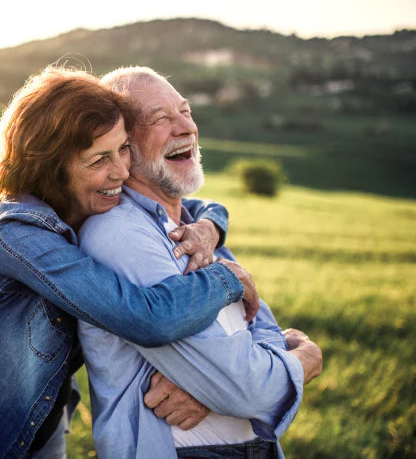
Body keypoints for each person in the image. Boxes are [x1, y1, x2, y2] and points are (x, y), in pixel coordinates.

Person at [0, 66, 261, 459]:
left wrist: (210, 226)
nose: (122, 171)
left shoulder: (86, 203)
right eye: (98, 160)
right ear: (52, 168)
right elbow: (145, 318)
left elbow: (190, 205)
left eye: (123, 148)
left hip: (42, 424)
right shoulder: (18, 234)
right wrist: (227, 278)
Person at [78, 67, 323, 459]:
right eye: (160, 119)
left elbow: (261, 330)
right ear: (124, 146)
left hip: (255, 446)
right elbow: (247, 389)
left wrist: (216, 390)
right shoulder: (119, 235)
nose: (185, 128)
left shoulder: (197, 230)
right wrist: (305, 359)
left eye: (185, 111)